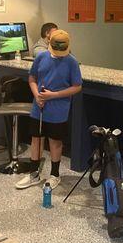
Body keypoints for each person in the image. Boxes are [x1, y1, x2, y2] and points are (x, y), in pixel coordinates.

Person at [15, 29, 82, 190]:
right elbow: (32, 78)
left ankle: (55, 175)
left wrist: (54, 95)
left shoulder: (72, 62)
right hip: (38, 106)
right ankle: (34, 174)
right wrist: (36, 95)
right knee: (36, 139)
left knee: (55, 141)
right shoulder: (41, 57)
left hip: (58, 109)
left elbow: (77, 86)